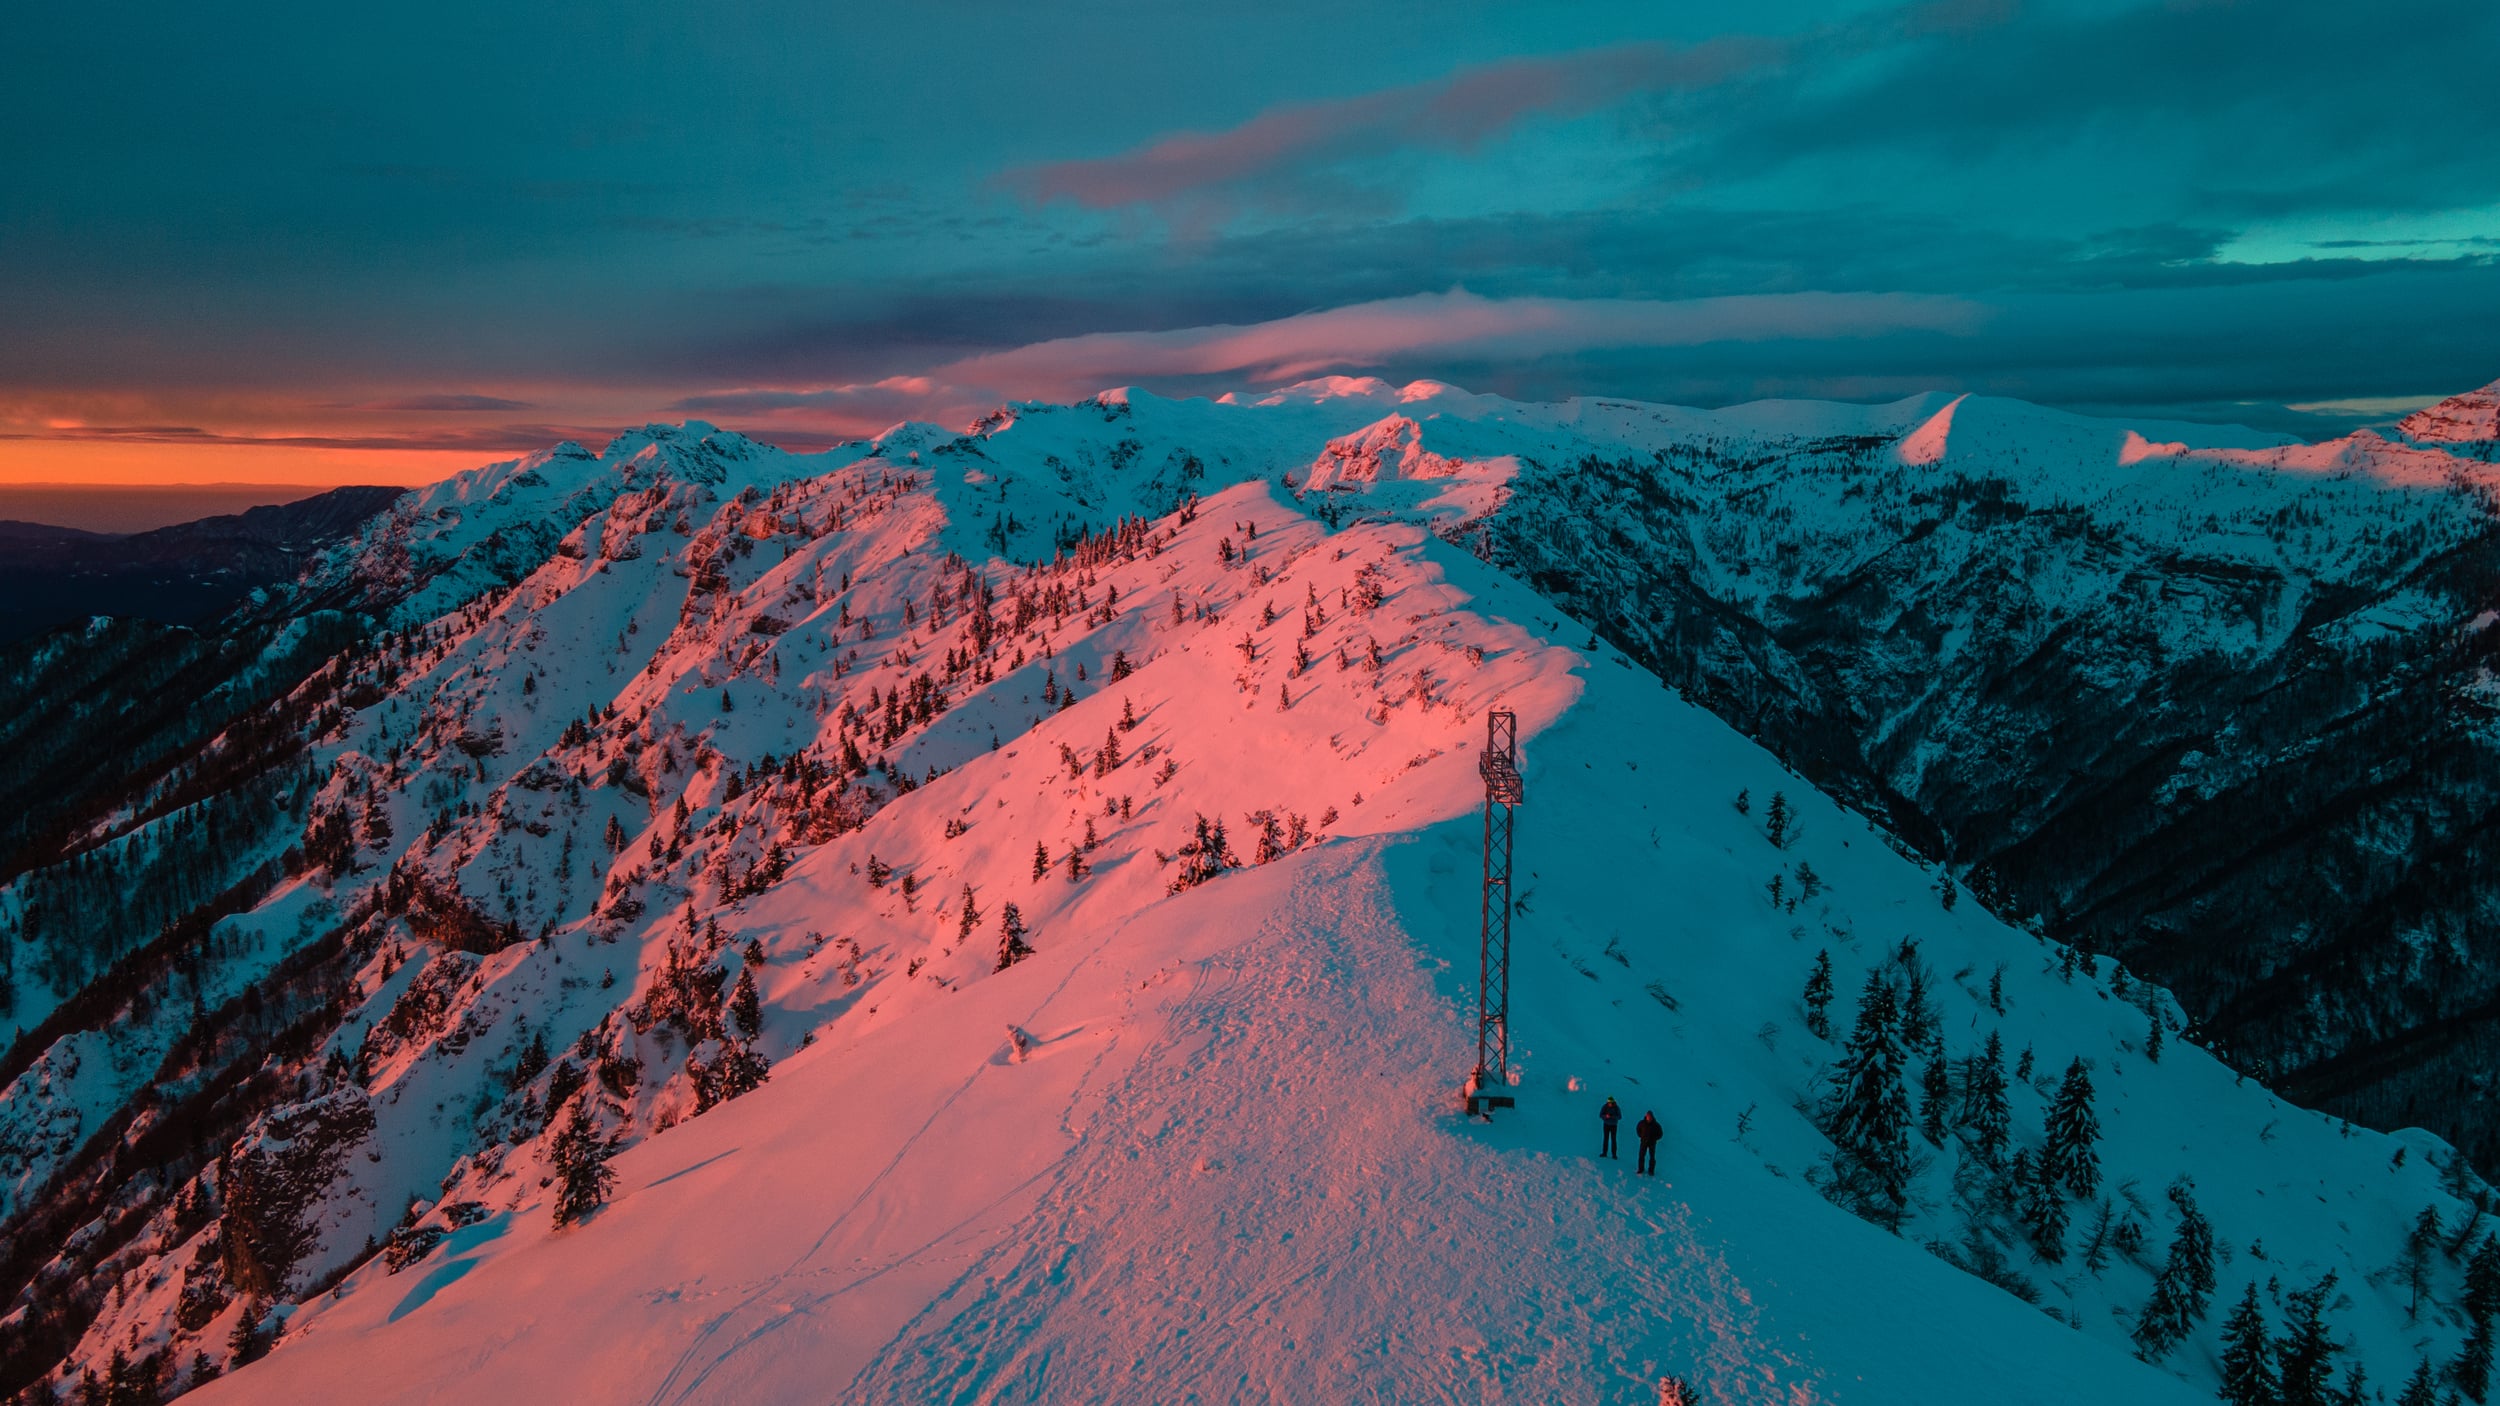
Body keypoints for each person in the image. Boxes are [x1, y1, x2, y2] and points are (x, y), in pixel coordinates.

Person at [1635, 1111, 1663, 1175]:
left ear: (1652, 1117)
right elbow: (1638, 1129)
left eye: (1650, 1117)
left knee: (1652, 1157)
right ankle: (1641, 1169)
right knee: (1641, 1155)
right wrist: (1641, 1136)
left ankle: (1651, 1170)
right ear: (1646, 1116)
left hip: (1652, 1143)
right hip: (1644, 1142)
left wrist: (1655, 1139)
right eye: (1648, 1117)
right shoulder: (1642, 1123)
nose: (1649, 1118)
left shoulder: (1656, 1125)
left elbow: (1660, 1134)